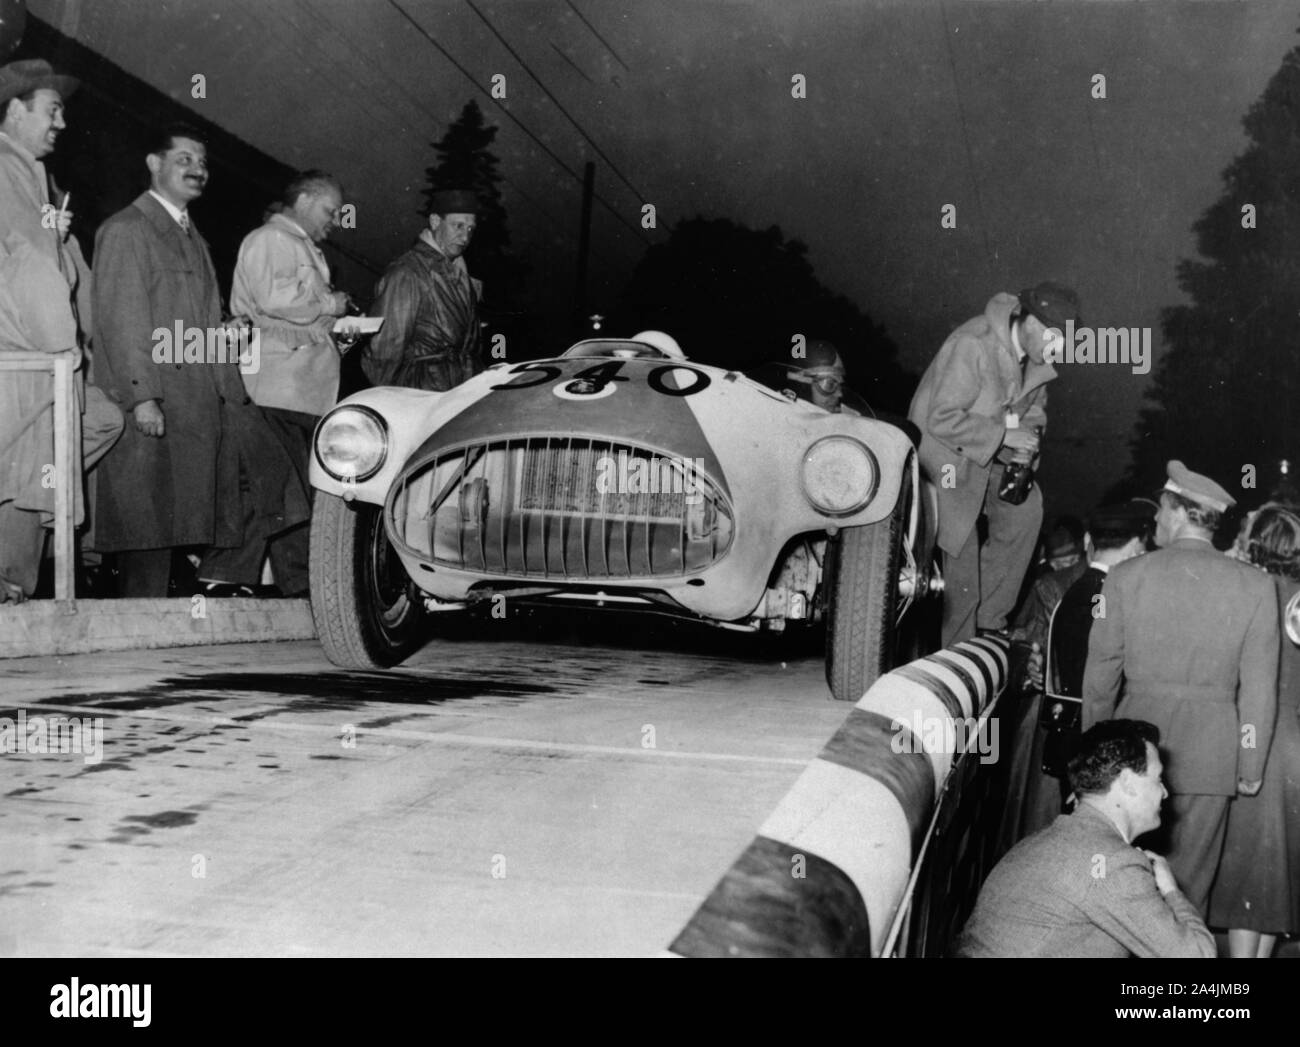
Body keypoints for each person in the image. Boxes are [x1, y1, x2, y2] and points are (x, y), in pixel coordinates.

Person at [91, 124, 309, 597]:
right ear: (154, 164)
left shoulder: (193, 238)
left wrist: (224, 338)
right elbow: (122, 320)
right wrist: (141, 397)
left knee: (264, 480)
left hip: (204, 397)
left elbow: (191, 324)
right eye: (185, 159)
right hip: (161, 399)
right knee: (147, 525)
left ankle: (220, 581)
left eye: (202, 163)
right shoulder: (127, 229)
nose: (197, 170)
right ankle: (141, 630)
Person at [1083, 460, 1279, 914]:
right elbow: (1259, 690)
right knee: (1189, 887)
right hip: (1213, 755)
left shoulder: (1125, 578)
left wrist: (1093, 756)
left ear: (1177, 513)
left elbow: (1100, 677)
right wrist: (1249, 763)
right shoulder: (1255, 586)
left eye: (1160, 511)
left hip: (1132, 757)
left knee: (1124, 881)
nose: (1154, 520)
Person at [0, 58, 123, 601]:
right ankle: (10, 585)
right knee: (33, 463)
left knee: (55, 450)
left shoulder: (28, 173)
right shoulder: (9, 166)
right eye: (52, 111)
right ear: (14, 109)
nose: (62, 124)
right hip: (25, 347)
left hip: (23, 340)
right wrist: (61, 347)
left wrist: (56, 231)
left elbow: (35, 247)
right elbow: (27, 259)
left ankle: (14, 580)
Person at [908, 282, 1079, 646]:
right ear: (1029, 322)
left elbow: (1033, 412)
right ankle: (956, 651)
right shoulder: (973, 344)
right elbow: (941, 418)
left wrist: (1027, 446)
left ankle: (988, 624)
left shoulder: (1036, 360)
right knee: (962, 554)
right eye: (1055, 337)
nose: (1059, 350)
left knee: (1027, 508)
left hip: (988, 454)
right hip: (942, 457)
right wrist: (1003, 436)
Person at [954, 719, 1215, 958]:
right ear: (1127, 782)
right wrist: (1170, 890)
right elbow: (1199, 955)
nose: (1165, 793)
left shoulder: (1042, 840)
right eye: (1158, 779)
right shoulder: (1114, 864)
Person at [1003, 501, 1155, 846]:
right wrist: (1031, 668)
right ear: (1136, 546)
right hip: (1066, 733)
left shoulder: (1098, 589)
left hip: (1068, 735)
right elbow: (1019, 646)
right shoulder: (1072, 589)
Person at [230, 169, 352, 595]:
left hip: (303, 389)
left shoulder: (301, 246)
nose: (336, 219)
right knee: (274, 488)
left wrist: (337, 329)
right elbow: (275, 299)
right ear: (302, 201)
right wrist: (330, 303)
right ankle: (228, 577)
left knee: (294, 490)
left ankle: (296, 583)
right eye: (329, 210)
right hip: (276, 383)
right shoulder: (271, 241)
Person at [1209, 503, 1300, 957]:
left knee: (1249, 866)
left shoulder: (1248, 591)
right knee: (1275, 866)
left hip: (1257, 737)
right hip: (1296, 743)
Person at [362, 187, 482, 391]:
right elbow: (385, 348)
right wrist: (390, 398)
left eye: (470, 229)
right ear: (435, 222)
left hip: (457, 393)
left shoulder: (461, 275)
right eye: (458, 226)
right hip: (421, 393)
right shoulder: (408, 273)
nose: (465, 238)